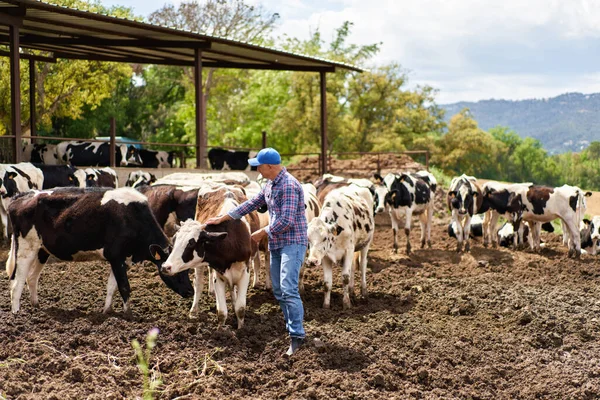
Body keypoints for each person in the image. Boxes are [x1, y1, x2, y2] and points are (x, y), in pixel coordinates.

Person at [205, 147, 308, 356]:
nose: (257, 170)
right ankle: (291, 330)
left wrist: (262, 232)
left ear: (269, 166)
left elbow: (286, 221)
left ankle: (297, 337)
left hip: (292, 242)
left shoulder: (288, 185)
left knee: (288, 289)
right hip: (277, 244)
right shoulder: (270, 184)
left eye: (259, 166)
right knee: (279, 290)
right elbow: (251, 203)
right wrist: (223, 218)